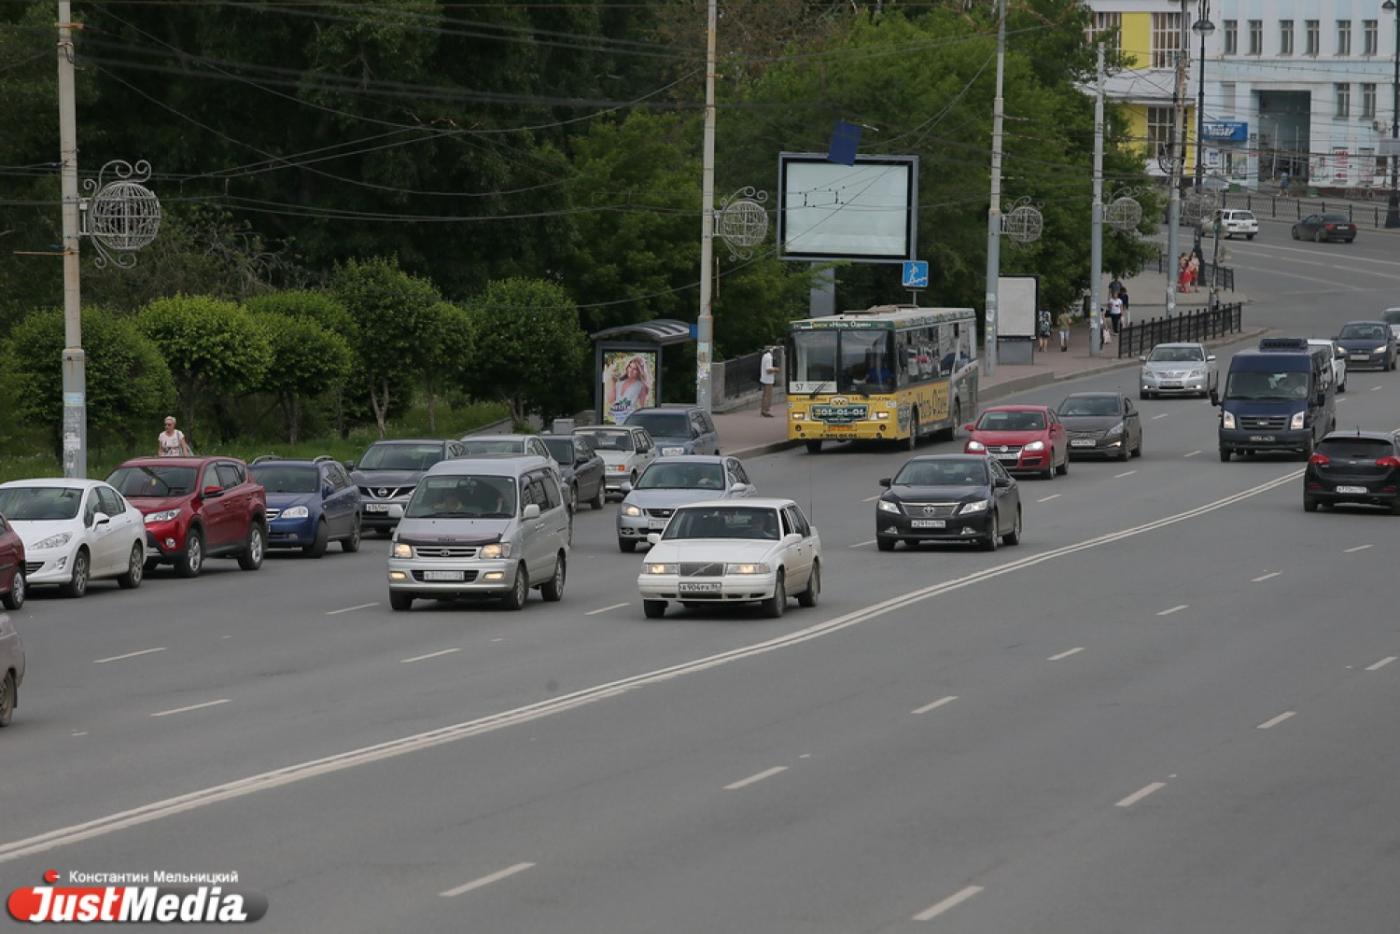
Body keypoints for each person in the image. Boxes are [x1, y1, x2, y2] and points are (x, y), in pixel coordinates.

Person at [608, 356, 651, 423]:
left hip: (631, 421)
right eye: (630, 367)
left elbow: (642, 407)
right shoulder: (619, 383)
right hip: (618, 421)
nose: (630, 370)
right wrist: (613, 381)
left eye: (635, 369)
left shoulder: (641, 386)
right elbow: (610, 400)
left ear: (639, 371)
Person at [759, 346, 779, 417]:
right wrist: (776, 369)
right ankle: (765, 411)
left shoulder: (765, 356)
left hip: (764, 378)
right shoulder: (769, 358)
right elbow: (768, 370)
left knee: (764, 395)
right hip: (768, 380)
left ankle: (763, 410)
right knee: (768, 396)